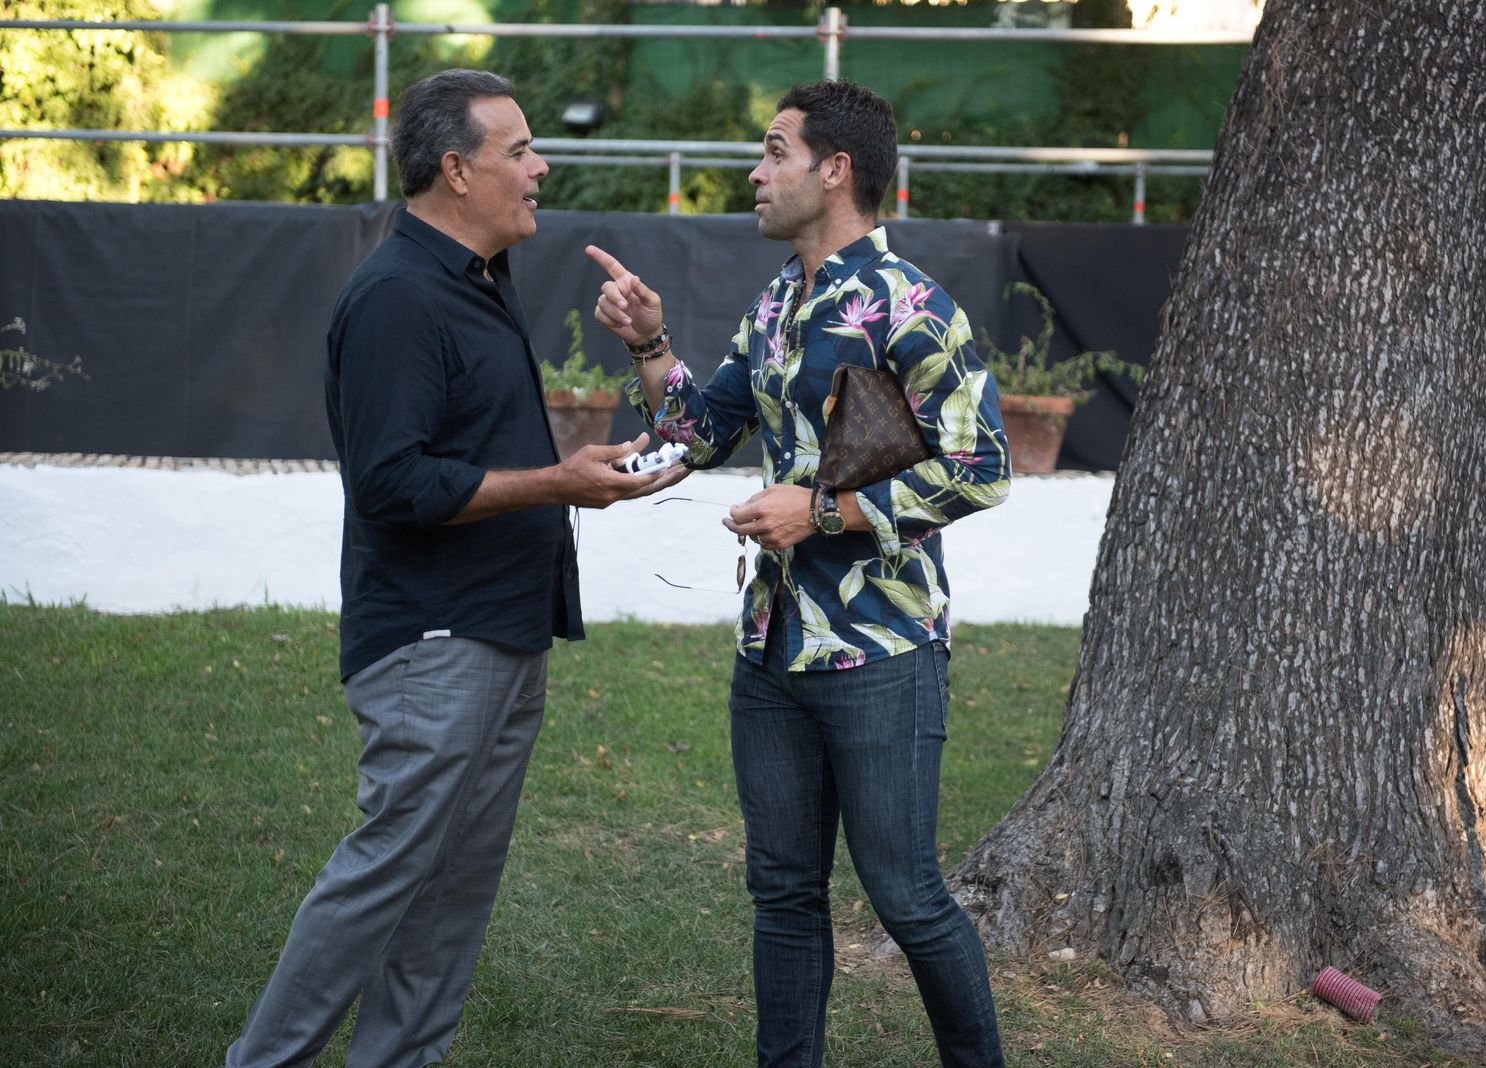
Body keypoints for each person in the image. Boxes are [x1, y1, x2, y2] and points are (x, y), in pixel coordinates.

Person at [226, 69, 687, 1068]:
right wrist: (555, 483)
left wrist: (647, 349)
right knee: (386, 875)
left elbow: (680, 431)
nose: (540, 165)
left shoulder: (471, 280)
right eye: (518, 150)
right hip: (434, 640)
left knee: (449, 894)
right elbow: (392, 484)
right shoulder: (396, 296)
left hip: (502, 631)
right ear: (454, 169)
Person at [587, 79, 1011, 1067]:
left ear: (836, 170)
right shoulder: (781, 299)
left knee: (905, 895)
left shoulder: (909, 307)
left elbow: (980, 465)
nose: (754, 170)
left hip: (880, 651)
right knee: (781, 891)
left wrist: (817, 508)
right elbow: (699, 431)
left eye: (773, 150)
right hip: (772, 651)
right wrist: (648, 342)